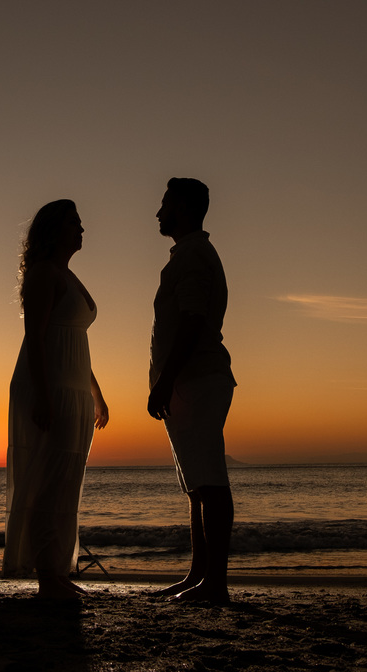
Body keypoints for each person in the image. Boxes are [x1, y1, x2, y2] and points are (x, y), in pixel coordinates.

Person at [4, 199, 109, 599]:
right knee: (48, 481)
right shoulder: (44, 274)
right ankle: (48, 576)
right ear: (53, 229)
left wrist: (96, 393)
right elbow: (36, 339)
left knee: (67, 481)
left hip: (74, 388)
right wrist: (44, 397)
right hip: (49, 387)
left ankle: (59, 571)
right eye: (73, 222)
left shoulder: (68, 274)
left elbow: (73, 341)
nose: (81, 228)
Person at [147, 178, 236, 603]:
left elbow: (193, 320)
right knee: (197, 485)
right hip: (189, 381)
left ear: (182, 207)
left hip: (196, 380)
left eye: (165, 204)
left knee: (210, 482)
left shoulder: (193, 255)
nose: (158, 213)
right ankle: (199, 575)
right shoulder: (187, 253)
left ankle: (215, 584)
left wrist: (165, 381)